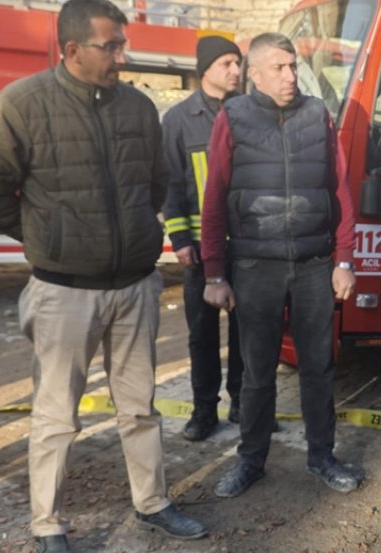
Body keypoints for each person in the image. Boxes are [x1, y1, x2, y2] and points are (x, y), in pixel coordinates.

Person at [0, 0, 208, 553]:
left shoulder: (139, 107)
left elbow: (156, 182)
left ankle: (152, 502)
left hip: (134, 286)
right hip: (63, 291)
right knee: (56, 415)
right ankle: (47, 525)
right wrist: (48, 235)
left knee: (140, 406)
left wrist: (136, 235)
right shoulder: (22, 105)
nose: (123, 57)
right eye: (112, 47)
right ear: (72, 50)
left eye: (122, 45)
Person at [199, 33, 363, 498]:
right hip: (255, 267)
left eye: (294, 66)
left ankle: (322, 457)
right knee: (256, 372)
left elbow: (339, 192)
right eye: (279, 68)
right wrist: (215, 271)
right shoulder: (233, 117)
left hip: (314, 265)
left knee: (319, 366)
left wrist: (344, 259)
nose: (291, 76)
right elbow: (214, 197)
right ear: (255, 73)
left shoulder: (318, 115)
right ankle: (251, 461)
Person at [162, 35, 245, 442]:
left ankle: (244, 405)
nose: (236, 70)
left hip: (246, 247)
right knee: (202, 333)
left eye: (238, 63)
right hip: (199, 249)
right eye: (227, 62)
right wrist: (179, 239)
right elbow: (170, 185)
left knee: (247, 331)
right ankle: (204, 410)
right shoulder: (178, 120)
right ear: (206, 68)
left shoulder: (249, 112)